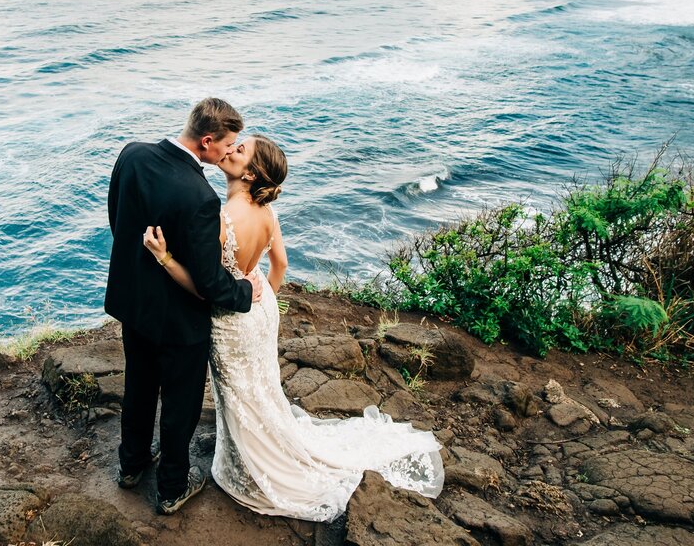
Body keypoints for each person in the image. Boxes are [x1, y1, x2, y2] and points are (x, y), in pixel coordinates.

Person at [142, 134, 445, 522]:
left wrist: (164, 258)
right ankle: (261, 443)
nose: (229, 149)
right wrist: (261, 302)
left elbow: (206, 290)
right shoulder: (267, 213)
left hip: (233, 319)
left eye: (239, 150)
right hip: (261, 309)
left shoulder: (220, 218)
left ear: (250, 173)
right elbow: (280, 265)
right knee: (261, 386)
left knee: (241, 391)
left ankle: (254, 460)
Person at [105, 97, 259, 515]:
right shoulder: (200, 197)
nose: (230, 152)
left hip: (133, 303)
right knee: (180, 402)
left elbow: (116, 218)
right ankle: (172, 487)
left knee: (137, 385)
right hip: (177, 319)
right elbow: (209, 283)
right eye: (227, 145)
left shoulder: (131, 154)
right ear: (207, 141)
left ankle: (131, 465)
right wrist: (245, 292)